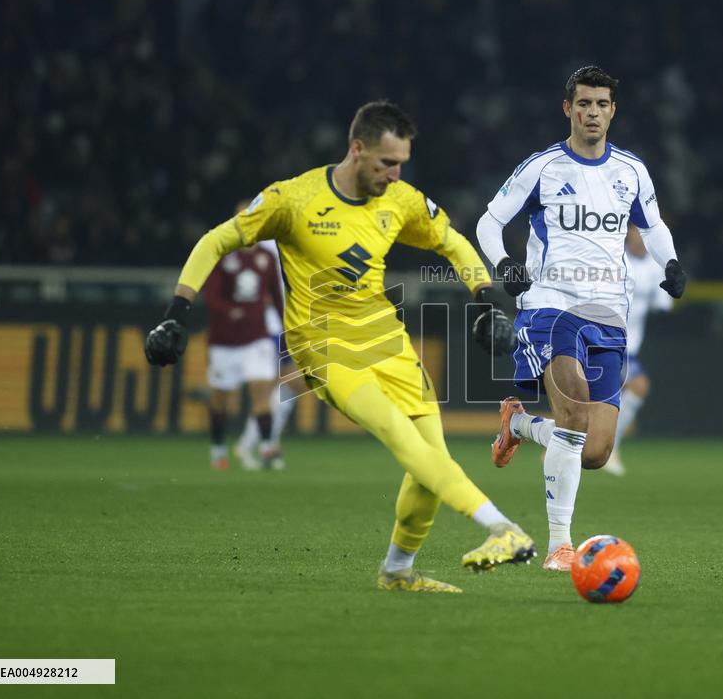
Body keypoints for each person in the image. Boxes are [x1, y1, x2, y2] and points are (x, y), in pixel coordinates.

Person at [145, 100, 534, 592]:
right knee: (403, 438)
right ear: (357, 149)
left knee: (431, 458)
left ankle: (396, 572)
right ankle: (503, 529)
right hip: (323, 348)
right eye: (386, 163)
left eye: (401, 164)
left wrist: (485, 301)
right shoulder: (294, 199)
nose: (395, 175)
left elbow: (452, 242)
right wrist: (176, 313)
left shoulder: (400, 199)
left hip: (387, 341)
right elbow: (215, 241)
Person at [474, 66, 687, 571]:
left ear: (614, 111)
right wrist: (504, 263)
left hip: (609, 313)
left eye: (602, 104)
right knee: (571, 418)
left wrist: (670, 262)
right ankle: (559, 546)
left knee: (594, 451)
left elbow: (653, 227)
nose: (593, 112)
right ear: (568, 108)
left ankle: (520, 425)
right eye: (584, 103)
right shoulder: (543, 168)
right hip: (551, 304)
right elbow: (489, 221)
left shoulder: (631, 171)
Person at [202, 238, 284, 470]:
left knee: (261, 392)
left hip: (256, 337)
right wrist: (231, 311)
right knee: (220, 398)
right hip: (224, 341)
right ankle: (218, 450)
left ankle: (267, 447)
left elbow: (276, 294)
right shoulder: (223, 257)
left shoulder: (266, 258)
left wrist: (286, 322)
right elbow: (211, 296)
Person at [603, 227, 674, 476]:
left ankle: (565, 443)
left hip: (629, 345)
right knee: (638, 385)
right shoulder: (613, 260)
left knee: (596, 397)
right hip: (607, 338)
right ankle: (608, 448)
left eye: (645, 236)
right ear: (627, 236)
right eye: (636, 235)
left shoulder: (655, 268)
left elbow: (663, 305)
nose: (640, 240)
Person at [234, 234, 302, 469]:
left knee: (290, 387)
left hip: (292, 322)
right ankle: (256, 445)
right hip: (272, 324)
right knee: (285, 382)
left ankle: (264, 444)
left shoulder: (302, 234)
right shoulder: (263, 245)